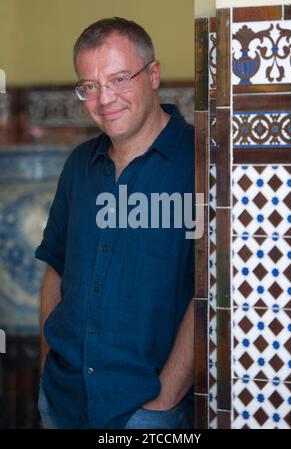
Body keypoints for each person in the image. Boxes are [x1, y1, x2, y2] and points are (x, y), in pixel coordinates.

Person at [35, 17, 195, 429]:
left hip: (146, 411)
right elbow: (55, 267)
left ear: (153, 74)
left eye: (119, 78)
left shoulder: (201, 164)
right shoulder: (78, 165)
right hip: (61, 401)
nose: (105, 98)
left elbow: (212, 291)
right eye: (89, 85)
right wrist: (45, 366)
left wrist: (165, 396)